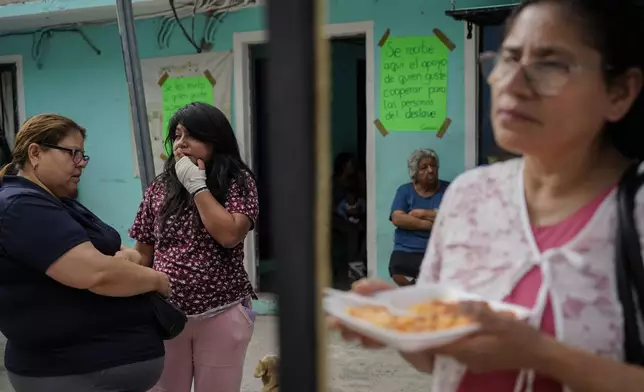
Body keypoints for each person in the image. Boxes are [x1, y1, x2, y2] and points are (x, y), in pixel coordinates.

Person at [332, 0, 644, 391]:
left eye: (549, 65)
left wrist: (541, 354)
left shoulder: (635, 212)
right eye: (509, 58)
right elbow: (436, 359)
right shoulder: (470, 196)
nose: (511, 82)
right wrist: (400, 326)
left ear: (619, 92)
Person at [0, 114, 170, 392]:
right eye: (72, 153)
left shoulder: (56, 200)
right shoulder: (21, 206)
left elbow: (115, 254)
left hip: (93, 370)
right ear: (35, 153)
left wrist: (129, 261)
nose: (81, 163)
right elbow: (98, 274)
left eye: (83, 155)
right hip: (68, 371)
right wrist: (156, 280)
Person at [129, 102, 258, 392]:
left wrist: (197, 186)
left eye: (192, 136)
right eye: (176, 136)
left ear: (215, 141)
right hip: (166, 315)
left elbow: (229, 235)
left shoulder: (238, 181)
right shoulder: (160, 187)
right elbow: (143, 253)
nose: (181, 144)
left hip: (221, 313)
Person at [388, 148, 449, 286]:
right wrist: (430, 224)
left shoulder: (449, 189)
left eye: (433, 166)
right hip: (406, 249)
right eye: (424, 167)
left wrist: (421, 213)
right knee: (399, 272)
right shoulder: (404, 191)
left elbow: (454, 218)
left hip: (437, 250)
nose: (430, 170)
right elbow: (398, 219)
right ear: (414, 172)